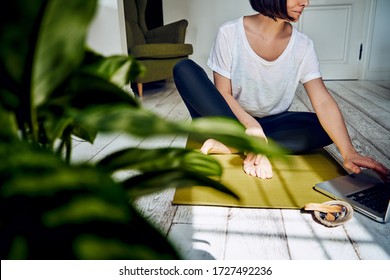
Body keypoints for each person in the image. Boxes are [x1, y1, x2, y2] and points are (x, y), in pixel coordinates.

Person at [173, 0, 389, 179]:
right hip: (227, 120)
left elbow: (322, 99)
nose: (305, 2)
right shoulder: (229, 33)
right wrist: (250, 125)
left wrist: (348, 152)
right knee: (184, 68)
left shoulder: (303, 45)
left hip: (271, 124)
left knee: (324, 127)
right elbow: (223, 93)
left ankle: (236, 146)